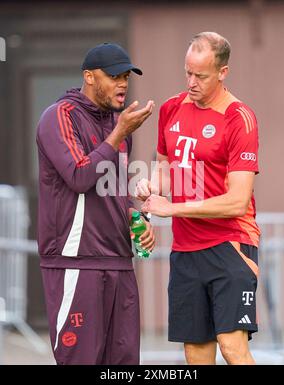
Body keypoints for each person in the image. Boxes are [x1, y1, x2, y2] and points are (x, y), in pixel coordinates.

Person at [136, 32, 260, 365]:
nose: (191, 82)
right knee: (195, 353)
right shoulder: (171, 109)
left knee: (231, 346)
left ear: (223, 72)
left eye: (200, 76)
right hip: (185, 251)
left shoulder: (239, 118)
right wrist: (152, 187)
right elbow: (165, 168)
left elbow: (236, 201)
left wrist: (172, 208)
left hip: (229, 245)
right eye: (187, 72)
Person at [36, 43, 155, 365]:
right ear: (89, 77)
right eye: (114, 75)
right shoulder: (59, 116)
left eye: (127, 76)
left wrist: (137, 217)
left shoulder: (118, 126)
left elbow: (110, 190)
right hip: (77, 261)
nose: (123, 83)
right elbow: (79, 177)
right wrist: (118, 134)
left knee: (124, 364)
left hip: (119, 262)